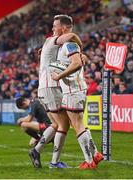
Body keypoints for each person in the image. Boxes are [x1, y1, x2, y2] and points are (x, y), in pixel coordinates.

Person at [51, 14, 103, 169]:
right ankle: (95, 154)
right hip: (72, 89)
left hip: (74, 89)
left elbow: (76, 64)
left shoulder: (68, 44)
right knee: (78, 124)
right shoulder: (66, 45)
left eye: (55, 26)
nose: (53, 29)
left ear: (64, 28)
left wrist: (59, 76)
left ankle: (89, 162)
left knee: (78, 125)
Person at [28, 27, 84, 168]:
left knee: (56, 124)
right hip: (50, 88)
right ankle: (53, 161)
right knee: (64, 124)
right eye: (54, 28)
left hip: (45, 89)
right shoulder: (52, 40)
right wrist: (80, 47)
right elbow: (70, 35)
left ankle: (37, 151)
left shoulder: (51, 46)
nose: (55, 30)